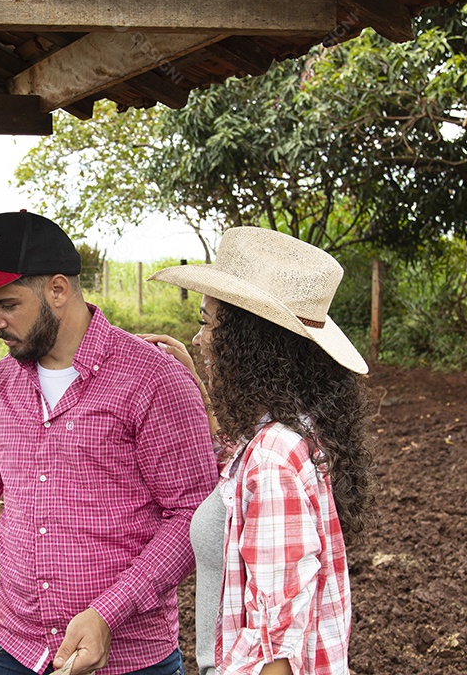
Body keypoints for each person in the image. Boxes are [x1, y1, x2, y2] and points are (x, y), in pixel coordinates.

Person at [0, 210, 218, 675]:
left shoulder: (154, 379)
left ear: (57, 290)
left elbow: (192, 515)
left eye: (7, 304)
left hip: (127, 660)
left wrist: (108, 611)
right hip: (10, 648)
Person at [146, 227, 373, 675]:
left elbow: (276, 650)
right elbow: (238, 473)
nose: (197, 338)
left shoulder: (272, 459)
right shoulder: (296, 432)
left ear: (248, 342)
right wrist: (202, 384)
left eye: (207, 322)